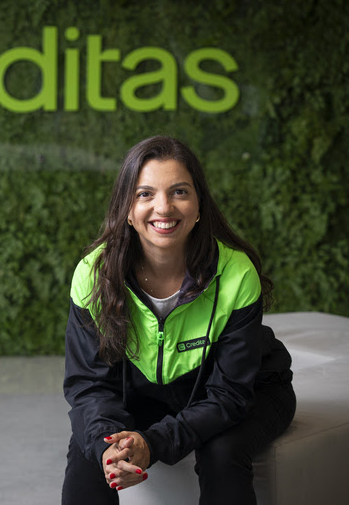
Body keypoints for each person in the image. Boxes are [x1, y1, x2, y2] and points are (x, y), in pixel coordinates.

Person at [61, 136, 295, 505]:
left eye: (180, 192)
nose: (163, 207)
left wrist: (153, 443)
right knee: (93, 448)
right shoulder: (94, 275)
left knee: (222, 451)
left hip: (249, 392)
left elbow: (230, 395)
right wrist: (109, 446)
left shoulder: (236, 274)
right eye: (145, 194)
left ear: (199, 204)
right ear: (127, 209)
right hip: (149, 394)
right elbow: (89, 386)